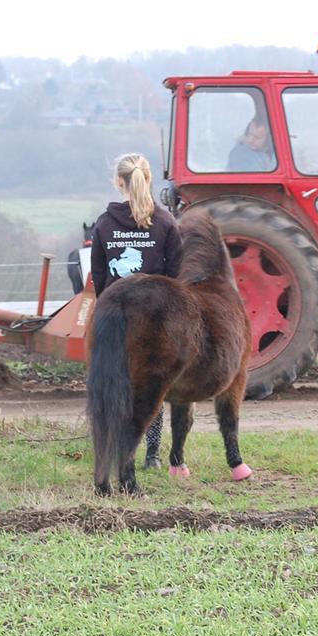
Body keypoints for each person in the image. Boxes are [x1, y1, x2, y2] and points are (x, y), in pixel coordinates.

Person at [89, 153, 182, 469]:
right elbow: (176, 274)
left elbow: (100, 278)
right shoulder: (167, 222)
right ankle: (152, 455)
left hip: (116, 318)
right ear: (149, 179)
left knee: (116, 385)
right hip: (155, 319)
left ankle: (114, 451)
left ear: (119, 182)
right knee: (152, 386)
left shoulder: (103, 224)